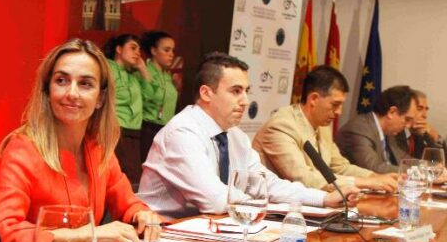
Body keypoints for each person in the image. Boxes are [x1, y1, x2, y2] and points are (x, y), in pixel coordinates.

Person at [138, 52, 356, 219]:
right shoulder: (182, 133)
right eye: (236, 91)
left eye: (246, 91)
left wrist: (324, 199)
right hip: (163, 234)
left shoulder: (235, 136)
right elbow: (216, 200)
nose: (245, 101)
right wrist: (262, 202)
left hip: (212, 229)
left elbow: (266, 184)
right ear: (206, 93)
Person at [0, 39, 161, 242]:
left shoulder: (99, 149)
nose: (72, 93)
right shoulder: (23, 148)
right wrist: (84, 235)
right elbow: (3, 230)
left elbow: (128, 204)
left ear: (100, 98)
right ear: (47, 91)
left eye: (85, 84)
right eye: (61, 80)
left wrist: (142, 215)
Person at [253, 66, 396, 192]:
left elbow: (340, 166)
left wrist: (376, 177)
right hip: (271, 206)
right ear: (314, 99)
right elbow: (304, 178)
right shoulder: (281, 126)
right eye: (335, 104)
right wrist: (364, 183)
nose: (339, 112)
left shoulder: (322, 126)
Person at [335, 86, 415, 174]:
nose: (408, 125)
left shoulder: (388, 131)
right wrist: (415, 172)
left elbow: (404, 159)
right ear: (392, 112)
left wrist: (424, 167)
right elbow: (373, 168)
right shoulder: (360, 129)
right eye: (407, 119)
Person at [104, 34, 150, 186]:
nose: (138, 53)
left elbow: (150, 98)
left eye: (139, 49)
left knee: (133, 179)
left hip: (134, 131)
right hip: (115, 128)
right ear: (119, 49)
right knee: (114, 176)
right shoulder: (107, 67)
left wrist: (143, 69)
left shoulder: (133, 76)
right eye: (133, 48)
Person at [139, 31, 180, 162]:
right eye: (166, 50)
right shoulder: (144, 71)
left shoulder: (167, 76)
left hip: (166, 130)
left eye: (172, 50)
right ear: (154, 51)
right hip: (148, 129)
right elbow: (147, 97)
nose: (171, 54)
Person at [396, 90, 447, 158]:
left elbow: (440, 160)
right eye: (419, 109)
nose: (425, 115)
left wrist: (436, 137)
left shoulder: (420, 134)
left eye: (426, 109)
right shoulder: (395, 132)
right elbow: (402, 161)